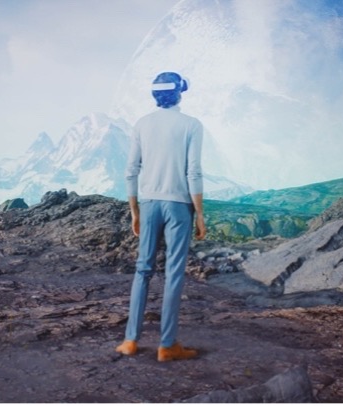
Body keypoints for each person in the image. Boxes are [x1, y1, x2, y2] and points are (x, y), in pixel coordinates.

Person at [116, 71, 207, 362]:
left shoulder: (142, 124)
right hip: (180, 205)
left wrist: (135, 211)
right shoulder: (191, 125)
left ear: (155, 95)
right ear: (180, 93)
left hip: (149, 202)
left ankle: (131, 340)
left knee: (143, 270)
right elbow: (193, 172)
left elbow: (131, 170)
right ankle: (167, 345)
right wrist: (201, 214)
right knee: (174, 273)